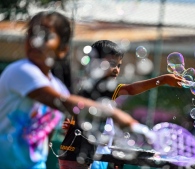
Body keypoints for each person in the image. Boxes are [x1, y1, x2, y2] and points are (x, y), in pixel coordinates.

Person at [0, 11, 158, 169]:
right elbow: (64, 102)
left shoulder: (58, 86)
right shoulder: (21, 71)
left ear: (62, 49)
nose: (36, 41)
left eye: (46, 36)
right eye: (31, 34)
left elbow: (43, 136)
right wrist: (116, 115)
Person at [59, 40, 184, 169]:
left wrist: (71, 123)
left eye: (119, 65)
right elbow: (130, 89)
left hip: (88, 153)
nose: (116, 70)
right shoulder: (100, 87)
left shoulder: (85, 87)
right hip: (77, 156)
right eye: (112, 64)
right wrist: (162, 79)